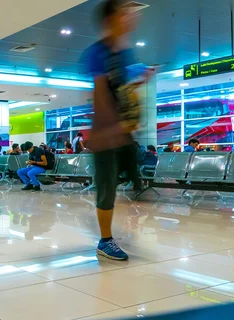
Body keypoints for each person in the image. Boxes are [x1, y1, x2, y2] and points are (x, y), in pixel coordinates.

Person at [82, 0, 154, 261]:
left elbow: (121, 91)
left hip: (121, 134)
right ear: (111, 19)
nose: (131, 17)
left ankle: (132, 189)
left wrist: (138, 83)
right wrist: (110, 128)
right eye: (125, 13)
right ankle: (105, 240)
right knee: (107, 189)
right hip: (106, 135)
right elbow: (100, 94)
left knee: (130, 177)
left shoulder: (124, 54)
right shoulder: (98, 53)